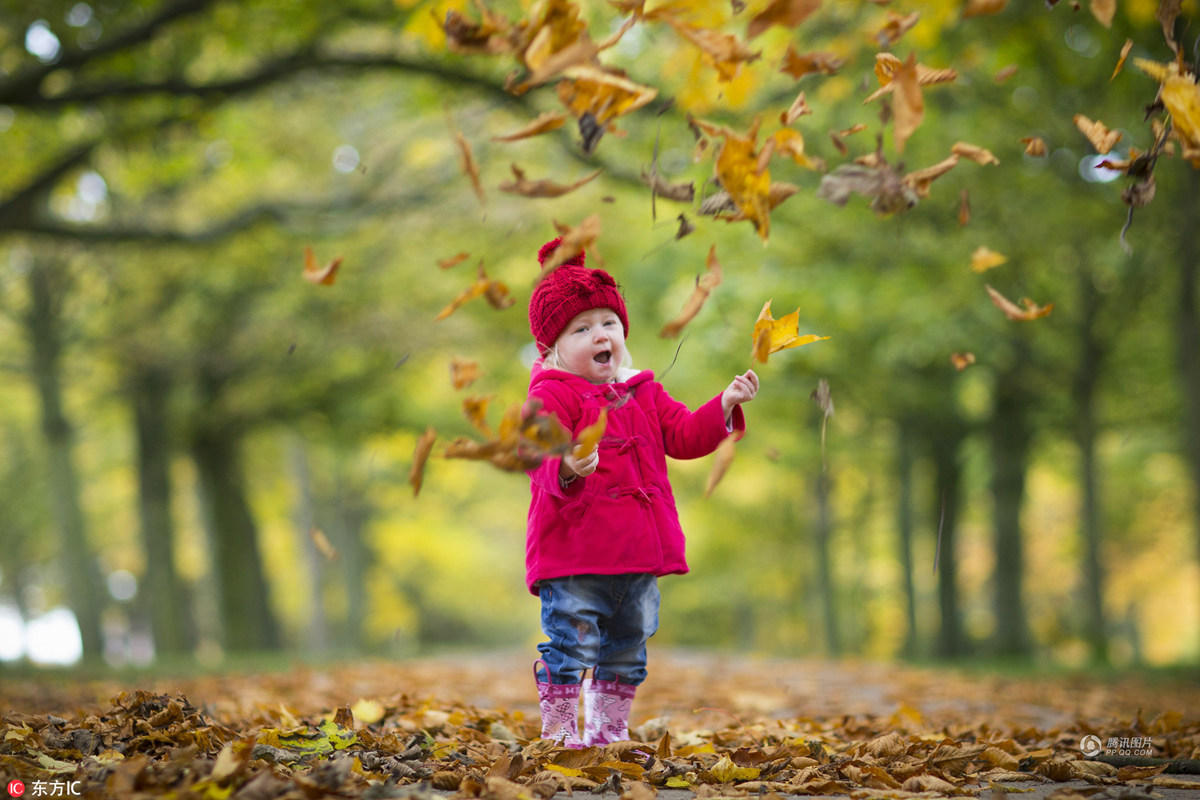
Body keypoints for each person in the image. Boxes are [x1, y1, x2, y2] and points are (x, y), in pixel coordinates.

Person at [524, 237, 759, 748]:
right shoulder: (550, 394)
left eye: (608, 323)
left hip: (636, 556)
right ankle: (561, 730)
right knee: (571, 644)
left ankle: (608, 730)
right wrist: (565, 463)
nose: (600, 335)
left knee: (629, 647)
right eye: (581, 329)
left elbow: (683, 435)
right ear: (553, 348)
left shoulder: (643, 391)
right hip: (574, 556)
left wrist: (723, 404)